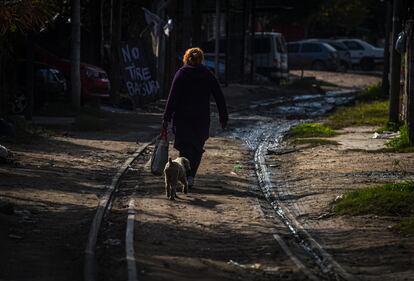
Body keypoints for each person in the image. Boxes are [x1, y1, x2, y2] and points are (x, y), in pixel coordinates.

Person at [162, 47, 228, 188]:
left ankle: (186, 175)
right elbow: (219, 96)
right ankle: (190, 176)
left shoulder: (181, 74)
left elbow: (172, 98)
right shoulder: (207, 74)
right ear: (201, 59)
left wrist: (166, 118)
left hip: (182, 119)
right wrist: (224, 117)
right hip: (201, 119)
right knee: (197, 148)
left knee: (185, 148)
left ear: (186, 58)